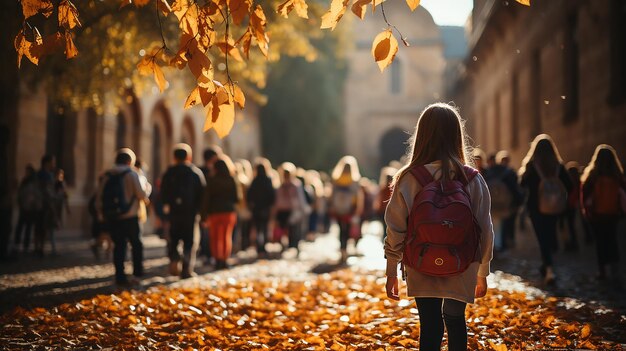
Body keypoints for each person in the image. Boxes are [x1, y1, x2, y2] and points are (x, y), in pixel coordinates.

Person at [384, 103, 494, 351]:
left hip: (420, 261)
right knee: (455, 321)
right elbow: (486, 229)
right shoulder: (473, 179)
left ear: (421, 136)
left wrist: (392, 268)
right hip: (462, 261)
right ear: (457, 135)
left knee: (430, 325)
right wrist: (482, 271)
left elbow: (395, 227)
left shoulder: (409, 177)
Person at [519, 134, 573, 285]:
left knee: (542, 238)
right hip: (555, 207)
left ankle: (548, 267)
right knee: (549, 234)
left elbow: (522, 184)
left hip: (535, 208)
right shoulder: (558, 166)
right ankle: (548, 263)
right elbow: (570, 185)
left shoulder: (532, 166)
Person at [96, 148, 149, 286]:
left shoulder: (107, 175)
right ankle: (137, 273)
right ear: (129, 161)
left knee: (119, 246)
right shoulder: (132, 174)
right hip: (131, 216)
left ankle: (120, 275)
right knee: (136, 245)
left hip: (114, 217)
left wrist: (102, 215)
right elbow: (141, 195)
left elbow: (99, 197)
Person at [580, 144, 625, 288]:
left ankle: (602, 271)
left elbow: (585, 193)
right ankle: (615, 271)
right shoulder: (617, 175)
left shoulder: (593, 175)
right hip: (613, 214)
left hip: (596, 214)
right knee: (612, 240)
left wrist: (586, 211)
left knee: (600, 242)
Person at [161, 144, 206, 278]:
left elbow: (163, 192)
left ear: (174, 157)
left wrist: (165, 208)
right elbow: (202, 194)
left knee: (173, 238)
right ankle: (186, 269)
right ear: (189, 157)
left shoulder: (169, 172)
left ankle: (174, 260)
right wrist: (200, 212)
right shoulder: (195, 173)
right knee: (189, 241)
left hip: (173, 212)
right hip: (190, 213)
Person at [201, 156, 240, 270]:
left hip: (214, 212)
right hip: (228, 212)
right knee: (226, 236)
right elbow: (237, 198)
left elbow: (206, 199)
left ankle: (217, 259)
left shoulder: (211, 180)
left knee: (215, 237)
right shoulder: (232, 180)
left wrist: (204, 215)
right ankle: (224, 258)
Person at [484, 150, 523, 251]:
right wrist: (518, 201)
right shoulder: (509, 172)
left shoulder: (489, 172)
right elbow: (514, 189)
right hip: (505, 204)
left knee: (494, 225)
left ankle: (495, 246)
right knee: (504, 224)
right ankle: (502, 245)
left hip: (492, 204)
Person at [329, 156, 364, 263]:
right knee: (347, 229)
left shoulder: (336, 179)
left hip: (338, 208)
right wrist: (358, 209)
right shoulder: (355, 180)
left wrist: (332, 206)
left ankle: (342, 250)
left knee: (340, 230)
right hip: (350, 209)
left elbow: (332, 194)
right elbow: (358, 196)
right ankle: (346, 250)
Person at [273, 162, 309, 255]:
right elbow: (277, 199)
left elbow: (300, 198)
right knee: (283, 229)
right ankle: (285, 245)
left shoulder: (295, 185)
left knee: (294, 229)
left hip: (293, 210)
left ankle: (294, 245)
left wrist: (302, 209)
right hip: (283, 210)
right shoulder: (280, 185)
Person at [198, 145, 223, 264]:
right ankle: (207, 254)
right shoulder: (213, 173)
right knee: (207, 234)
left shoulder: (199, 171)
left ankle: (208, 254)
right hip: (209, 207)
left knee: (208, 234)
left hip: (207, 207)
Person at [246, 159, 276, 257]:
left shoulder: (255, 181)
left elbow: (249, 195)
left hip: (257, 208)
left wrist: (252, 204)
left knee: (258, 228)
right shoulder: (268, 180)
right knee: (264, 228)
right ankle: (263, 246)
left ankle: (259, 247)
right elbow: (272, 195)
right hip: (265, 208)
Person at [34, 155, 58, 257]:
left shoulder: (48, 174)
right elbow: (46, 191)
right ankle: (39, 248)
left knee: (41, 227)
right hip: (44, 204)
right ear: (47, 163)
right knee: (42, 226)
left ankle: (39, 248)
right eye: (53, 162)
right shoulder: (44, 175)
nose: (54, 164)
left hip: (44, 204)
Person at [14, 165, 40, 253]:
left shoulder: (34, 183)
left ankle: (26, 245)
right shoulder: (24, 181)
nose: (26, 173)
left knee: (28, 227)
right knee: (20, 226)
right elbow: (20, 193)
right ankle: (16, 244)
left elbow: (35, 195)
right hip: (24, 207)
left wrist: (34, 205)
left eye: (27, 171)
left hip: (30, 208)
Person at [375, 166, 396, 242]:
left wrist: (377, 209)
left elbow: (380, 201)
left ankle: (385, 240)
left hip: (383, 211)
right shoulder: (394, 189)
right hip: (391, 211)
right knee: (390, 228)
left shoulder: (383, 189)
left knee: (385, 227)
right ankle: (388, 240)